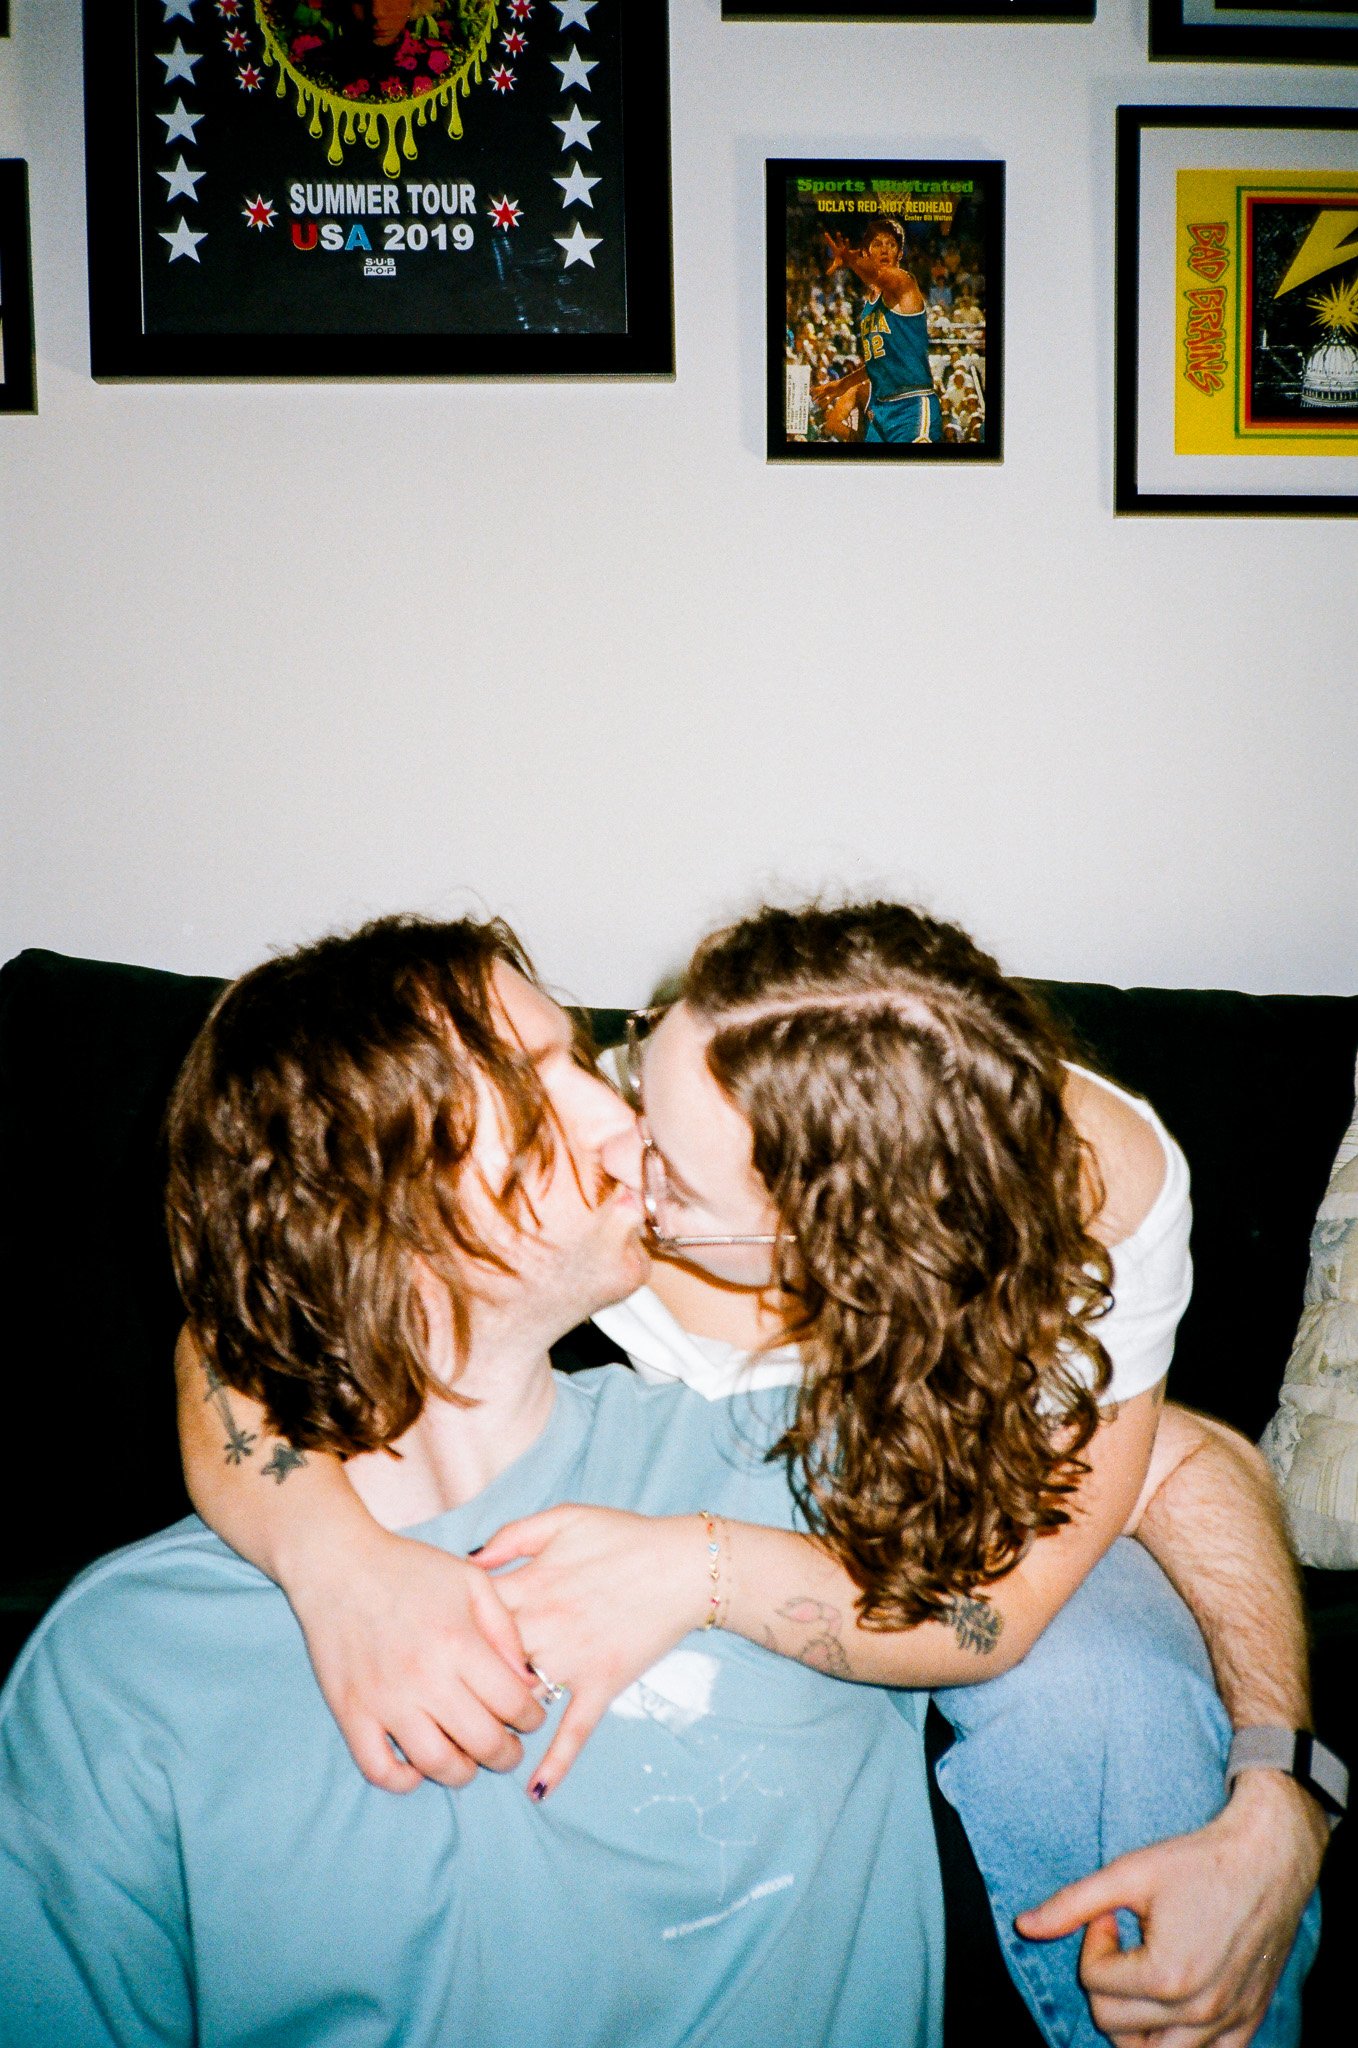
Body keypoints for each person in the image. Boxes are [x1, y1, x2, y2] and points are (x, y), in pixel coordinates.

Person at [176, 901, 1329, 2048]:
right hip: (756, 1462)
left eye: (670, 1177)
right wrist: (341, 1570)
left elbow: (1143, 1489)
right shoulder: (681, 1105)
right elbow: (251, 1322)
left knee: (1103, 1685)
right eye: (625, 1059)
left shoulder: (1090, 1205)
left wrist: (1279, 1789)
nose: (614, 1139)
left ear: (831, 1244)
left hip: (956, 1506)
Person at [0, 915, 947, 2048]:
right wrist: (332, 1561)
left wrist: (1173, 1831)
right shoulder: (128, 1666)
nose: (625, 1121)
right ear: (365, 1195)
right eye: (538, 1084)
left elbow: (1129, 1471)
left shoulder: (792, 1451)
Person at [811, 218, 942, 445]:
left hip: (912, 404)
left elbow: (877, 275)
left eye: (891, 244)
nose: (884, 249)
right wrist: (841, 385)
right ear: (867, 252)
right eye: (877, 244)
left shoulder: (904, 282)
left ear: (900, 253)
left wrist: (851, 260)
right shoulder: (868, 309)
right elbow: (878, 364)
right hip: (881, 409)